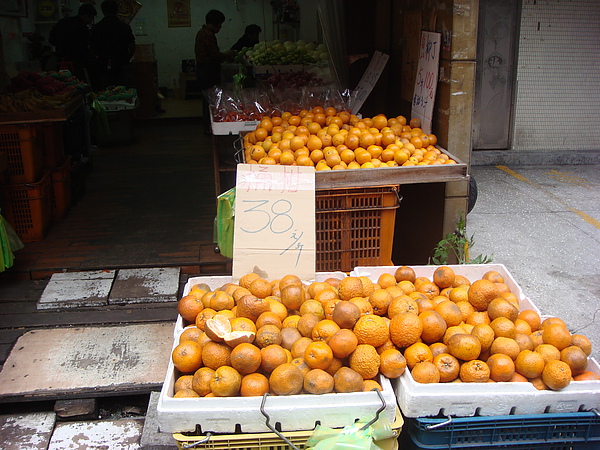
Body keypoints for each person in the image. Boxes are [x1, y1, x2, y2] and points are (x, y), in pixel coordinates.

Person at [195, 9, 235, 134]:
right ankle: (211, 126)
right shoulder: (208, 35)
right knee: (211, 99)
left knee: (207, 99)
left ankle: (208, 125)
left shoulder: (201, 32)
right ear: (215, 23)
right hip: (208, 71)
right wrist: (228, 54)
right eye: (220, 24)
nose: (221, 27)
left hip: (203, 70)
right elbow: (214, 55)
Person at [90, 0, 136, 89]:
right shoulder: (124, 26)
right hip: (122, 64)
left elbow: (92, 48)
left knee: (105, 94)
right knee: (124, 92)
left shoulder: (97, 27)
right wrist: (127, 58)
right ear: (116, 10)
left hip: (103, 65)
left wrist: (99, 57)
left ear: (103, 11)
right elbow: (132, 45)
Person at [49, 3, 97, 82]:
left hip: (60, 60)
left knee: (61, 83)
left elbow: (51, 39)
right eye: (91, 17)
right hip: (76, 62)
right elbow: (84, 47)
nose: (91, 20)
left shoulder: (62, 22)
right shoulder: (82, 28)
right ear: (86, 15)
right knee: (76, 83)